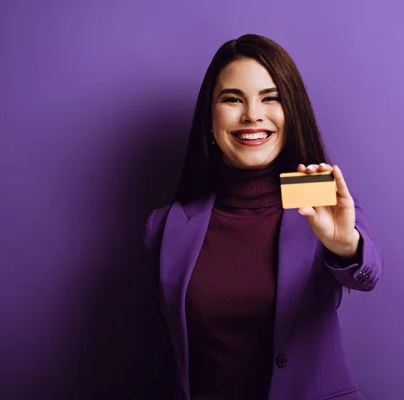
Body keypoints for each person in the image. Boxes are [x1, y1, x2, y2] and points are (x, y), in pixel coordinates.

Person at [137, 34, 383, 400]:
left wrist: (345, 245)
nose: (252, 114)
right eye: (233, 99)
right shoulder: (165, 226)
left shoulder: (320, 201)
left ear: (291, 113)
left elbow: (367, 274)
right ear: (210, 117)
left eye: (271, 99)